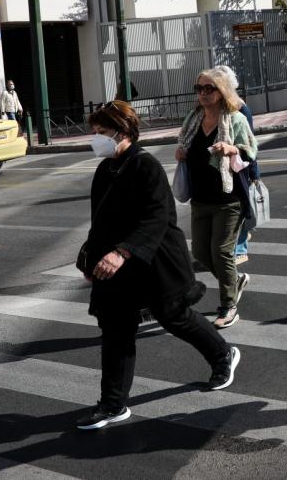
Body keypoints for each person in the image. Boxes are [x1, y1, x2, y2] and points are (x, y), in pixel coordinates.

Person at [78, 100, 240, 431]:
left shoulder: (145, 165)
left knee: (174, 317)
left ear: (122, 132)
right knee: (116, 329)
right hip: (118, 264)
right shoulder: (106, 168)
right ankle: (113, 404)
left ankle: (223, 355)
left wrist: (121, 253)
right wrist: (91, 259)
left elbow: (157, 217)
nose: (96, 138)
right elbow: (101, 220)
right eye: (95, 131)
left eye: (102, 131)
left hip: (155, 259)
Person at [176, 69, 257, 329]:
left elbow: (250, 151)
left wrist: (231, 148)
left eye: (209, 88)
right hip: (200, 198)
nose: (203, 93)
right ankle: (234, 281)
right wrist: (181, 152)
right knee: (200, 252)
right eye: (199, 88)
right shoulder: (193, 118)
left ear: (221, 91)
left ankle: (228, 306)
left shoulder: (235, 119)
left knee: (221, 252)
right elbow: (186, 144)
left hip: (228, 198)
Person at [215, 65, 260, 266]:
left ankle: (240, 249)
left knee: (238, 209)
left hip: (240, 167)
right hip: (224, 169)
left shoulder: (241, 109)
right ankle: (239, 240)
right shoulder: (219, 108)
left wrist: (254, 173)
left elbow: (249, 144)